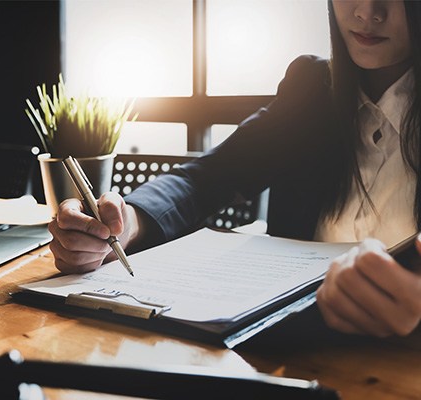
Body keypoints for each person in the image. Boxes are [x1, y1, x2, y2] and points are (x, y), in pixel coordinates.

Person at [47, 0, 421, 338]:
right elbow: (209, 177)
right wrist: (128, 222)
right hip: (284, 358)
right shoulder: (313, 87)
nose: (367, 11)